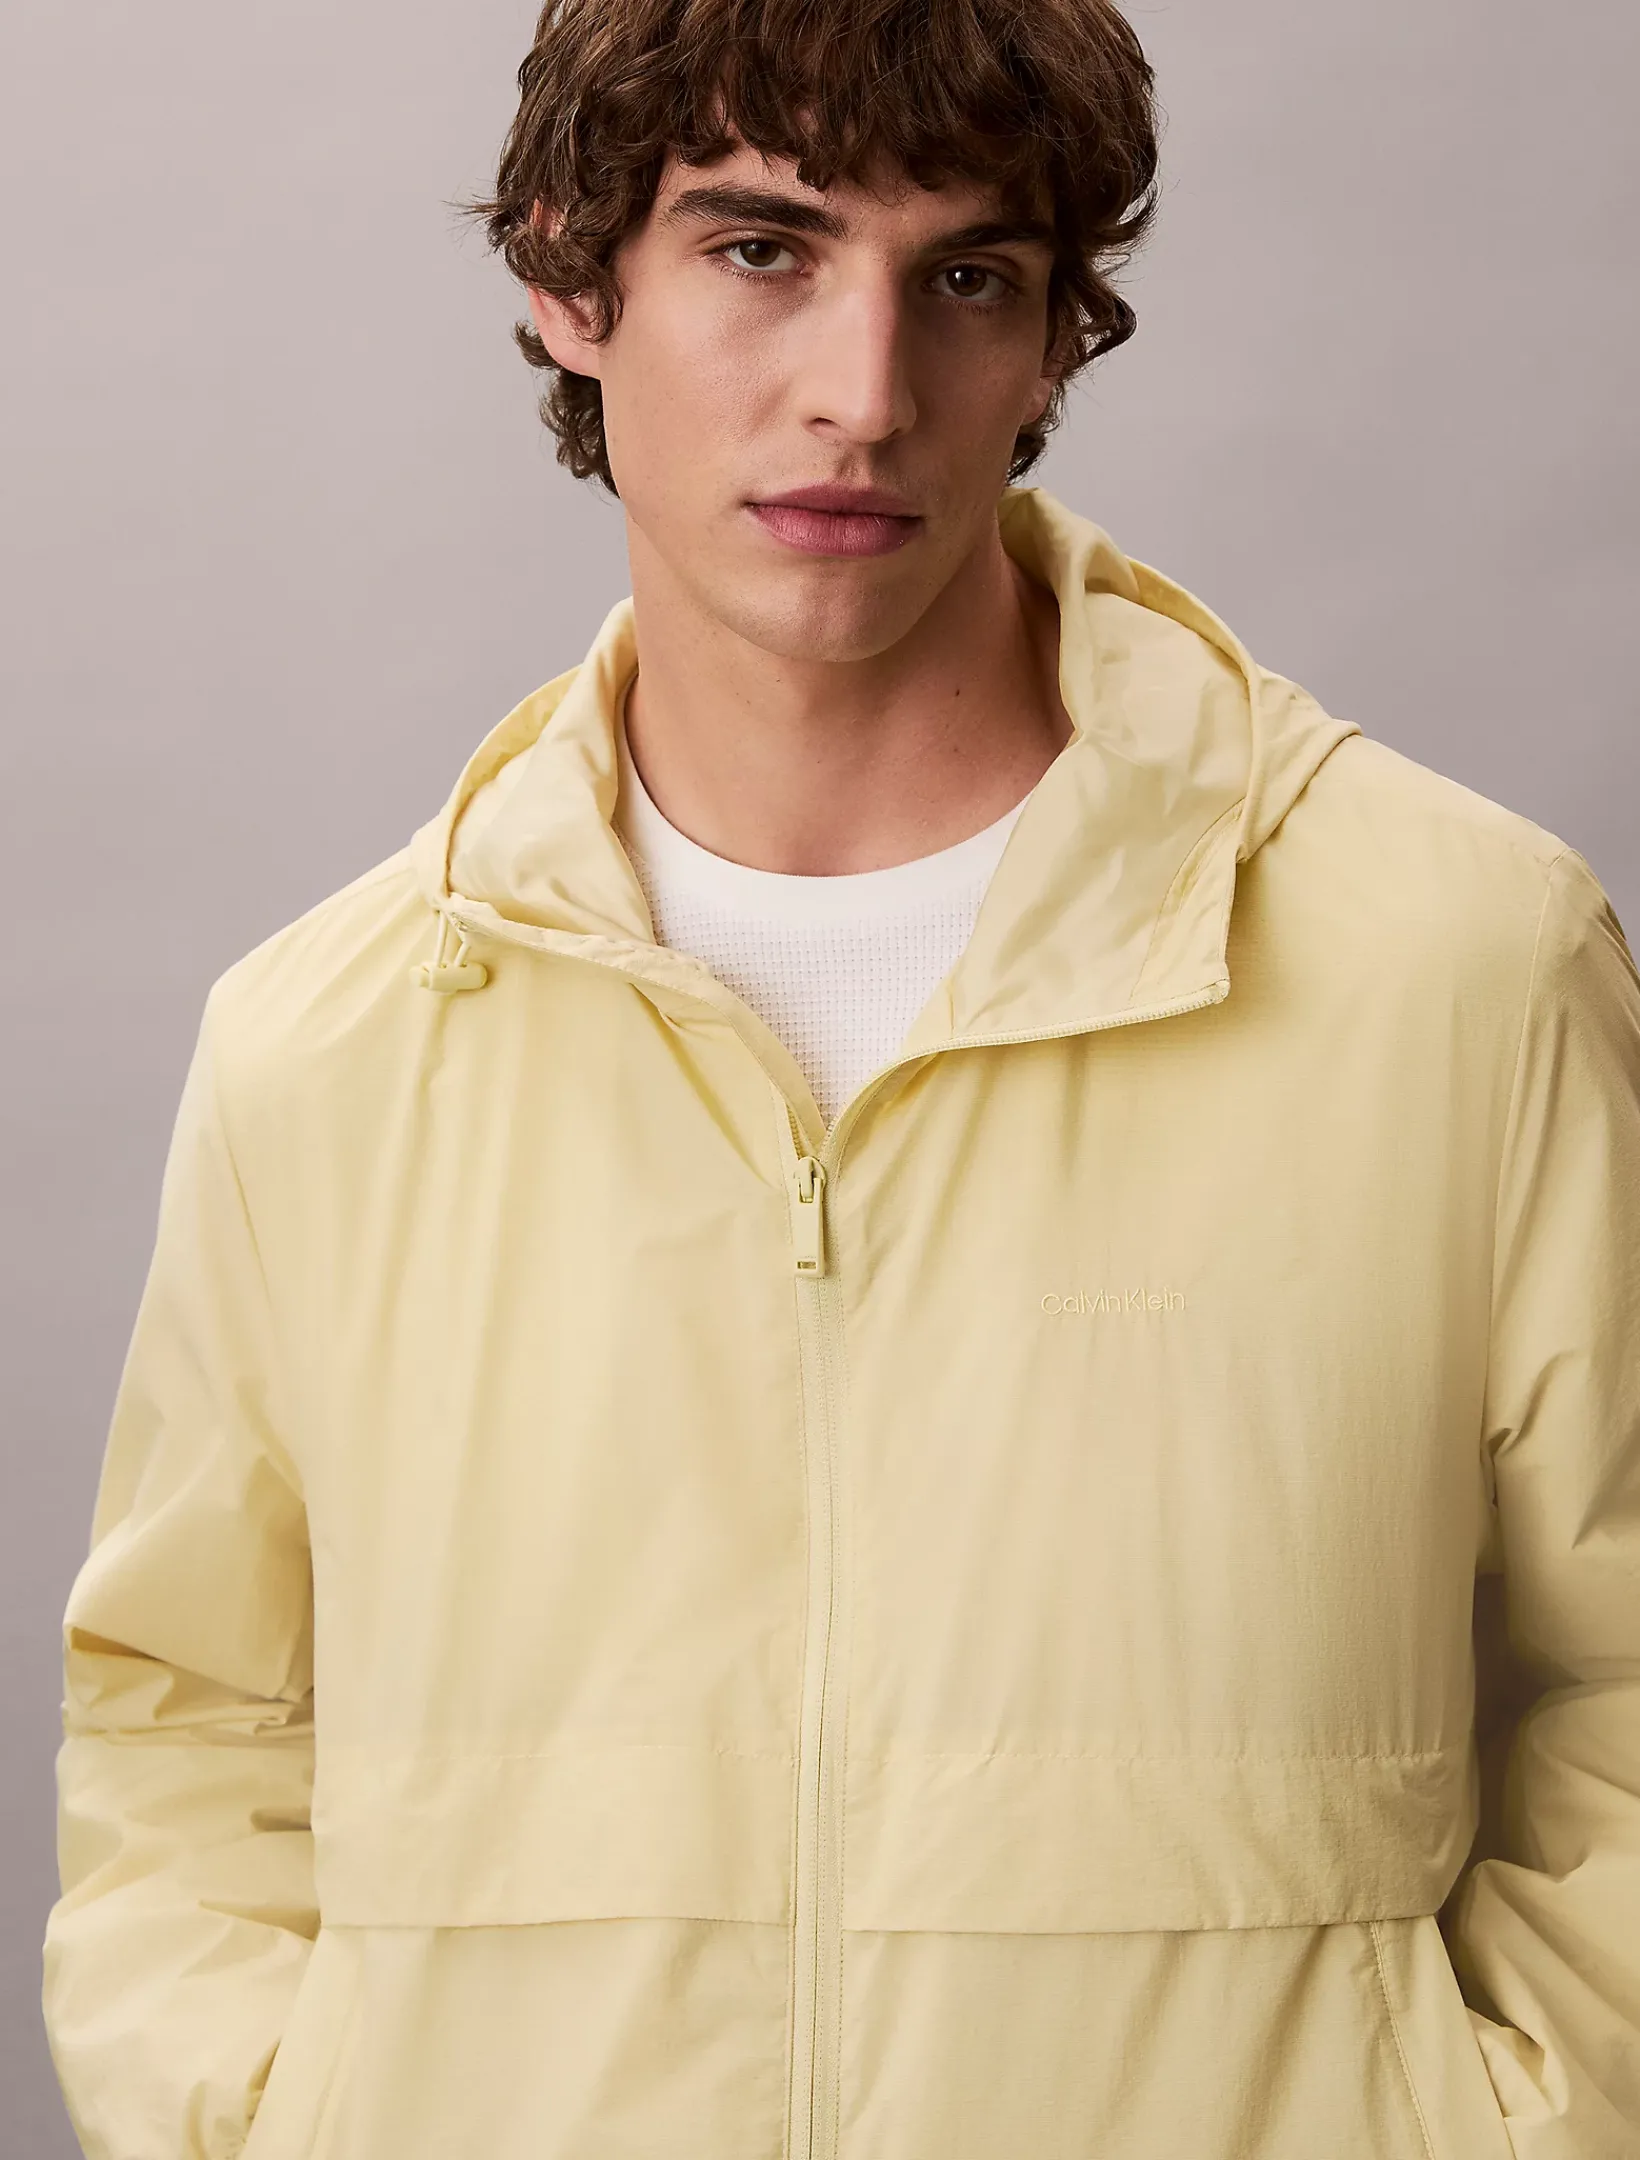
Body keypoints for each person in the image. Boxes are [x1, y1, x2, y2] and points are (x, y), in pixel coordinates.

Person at [41, 1, 1640, 2155]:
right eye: (761, 250)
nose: (864, 395)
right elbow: (191, 1733)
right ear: (569, 276)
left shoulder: (1458, 964)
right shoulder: (327, 1045)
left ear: (1055, 338)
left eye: (965, 275)